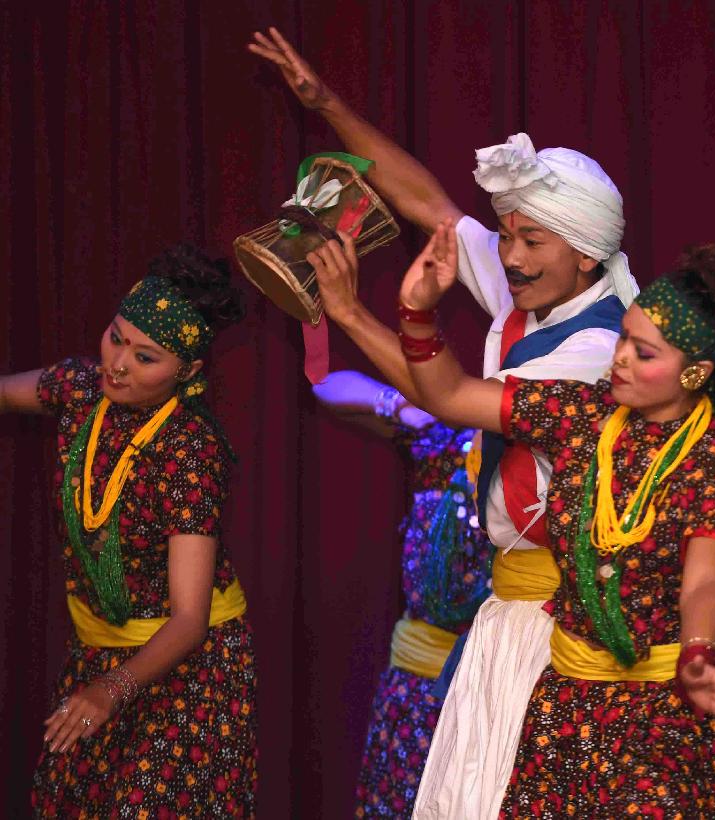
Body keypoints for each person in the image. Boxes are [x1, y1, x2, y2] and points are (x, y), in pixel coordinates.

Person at [250, 29, 640, 817]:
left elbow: (449, 396)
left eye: (531, 241)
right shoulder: (541, 289)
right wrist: (327, 104)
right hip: (512, 611)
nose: (511, 257)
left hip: (564, 623)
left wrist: (350, 314)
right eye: (509, 236)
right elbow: (430, 205)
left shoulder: (598, 347)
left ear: (586, 255)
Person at [308, 220, 715, 816]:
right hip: (565, 709)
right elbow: (450, 396)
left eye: (644, 352)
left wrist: (698, 653)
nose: (621, 358)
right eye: (624, 338)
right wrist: (416, 315)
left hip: (662, 718)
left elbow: (704, 580)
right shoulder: (580, 414)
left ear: (694, 373)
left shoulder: (713, 469)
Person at [0, 245, 258, 816]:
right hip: (99, 651)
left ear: (188, 372)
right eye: (115, 338)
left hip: (191, 667)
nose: (117, 365)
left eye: (146, 357)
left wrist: (110, 691)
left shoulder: (190, 450)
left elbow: (189, 620)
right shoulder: (80, 389)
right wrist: (101, 682)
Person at [311, 371, 492, 816]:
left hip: (492, 690)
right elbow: (326, 385)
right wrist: (401, 407)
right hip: (418, 687)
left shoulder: (540, 460)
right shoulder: (443, 441)